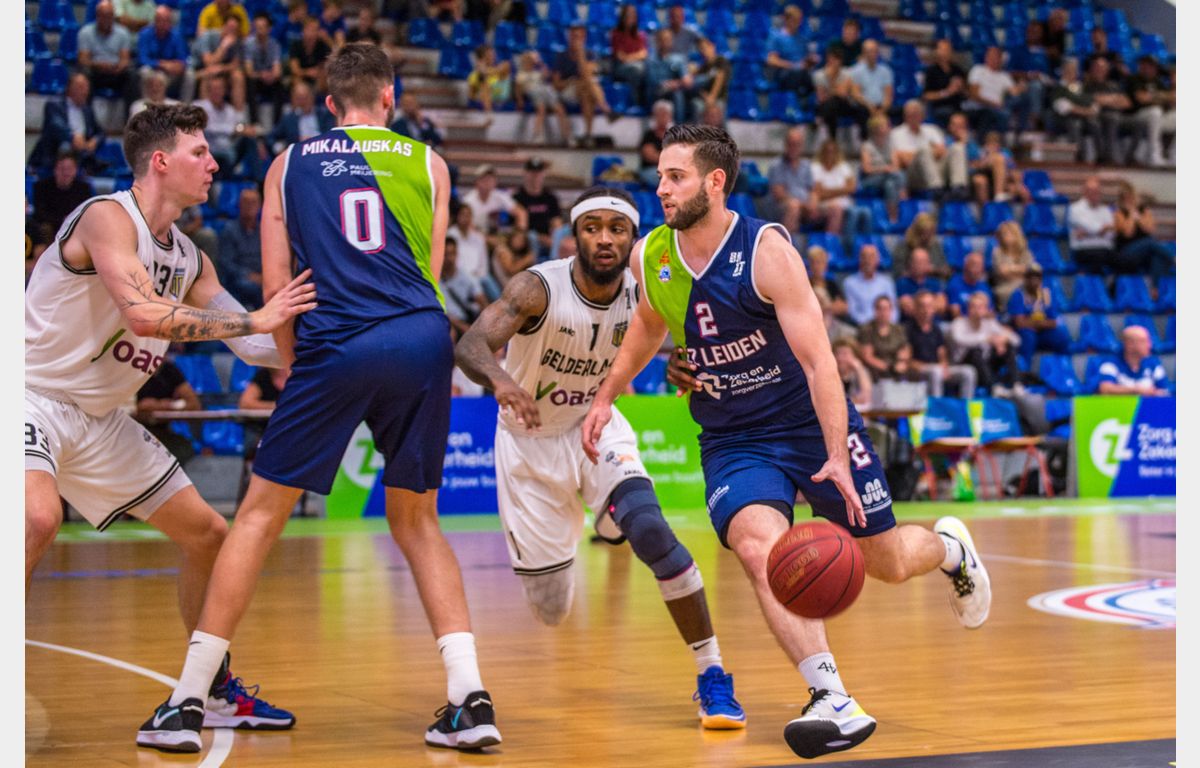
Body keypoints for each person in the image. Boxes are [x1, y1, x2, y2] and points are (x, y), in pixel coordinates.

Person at [580, 124, 991, 761]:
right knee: (758, 548)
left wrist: (836, 455)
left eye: (676, 177)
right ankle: (832, 698)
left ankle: (949, 549)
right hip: (733, 436)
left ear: (715, 182)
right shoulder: (649, 255)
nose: (661, 189)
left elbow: (822, 363)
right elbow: (649, 323)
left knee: (886, 562)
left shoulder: (766, 251)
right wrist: (607, 395)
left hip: (808, 425)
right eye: (660, 175)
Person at [138, 44, 503, 753]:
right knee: (419, 522)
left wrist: (295, 365)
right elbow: (426, 275)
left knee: (257, 518)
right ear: (390, 97)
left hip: (336, 339)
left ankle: (187, 702)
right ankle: (471, 698)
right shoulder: (431, 163)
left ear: (329, 105)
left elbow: (280, 289)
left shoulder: (289, 163)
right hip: (421, 337)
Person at [26, 104, 312, 751]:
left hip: (102, 421)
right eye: (199, 152)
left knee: (209, 536)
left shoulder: (190, 258)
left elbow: (255, 345)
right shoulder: (106, 217)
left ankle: (211, 689)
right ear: (160, 161)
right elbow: (145, 315)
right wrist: (258, 320)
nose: (213, 163)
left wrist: (338, 340)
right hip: (30, 396)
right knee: (37, 519)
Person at [454, 186, 746, 730]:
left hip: (596, 425)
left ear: (632, 238)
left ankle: (712, 673)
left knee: (652, 531)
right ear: (575, 236)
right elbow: (470, 344)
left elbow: (684, 343)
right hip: (529, 444)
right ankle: (609, 523)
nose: (605, 239)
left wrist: (682, 364)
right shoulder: (537, 287)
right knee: (550, 609)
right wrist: (502, 383)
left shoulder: (647, 287)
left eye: (617, 229)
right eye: (593, 228)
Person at [904, 290, 976, 397]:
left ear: (933, 309)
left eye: (929, 306)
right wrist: (926, 367)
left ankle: (966, 405)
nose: (926, 310)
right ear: (916, 308)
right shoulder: (907, 330)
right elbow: (907, 360)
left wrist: (944, 366)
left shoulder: (936, 329)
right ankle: (936, 405)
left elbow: (942, 353)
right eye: (922, 306)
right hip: (917, 371)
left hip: (936, 368)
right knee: (936, 371)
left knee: (968, 372)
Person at [30, 74, 106, 174]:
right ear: (69, 88)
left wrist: (94, 141)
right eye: (81, 87)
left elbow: (100, 132)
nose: (85, 91)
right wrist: (72, 137)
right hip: (57, 151)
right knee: (66, 146)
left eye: (87, 87)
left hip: (83, 149)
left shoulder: (87, 110)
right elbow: (56, 125)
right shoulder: (54, 105)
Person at [948, 292, 1020, 396]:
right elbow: (959, 339)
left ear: (986, 310)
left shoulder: (989, 323)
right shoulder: (959, 322)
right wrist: (987, 339)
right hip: (964, 363)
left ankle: (1016, 385)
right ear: (968, 309)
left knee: (1008, 346)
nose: (976, 310)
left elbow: (1017, 340)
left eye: (980, 307)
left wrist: (1003, 339)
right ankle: (994, 387)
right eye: (973, 307)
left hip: (986, 364)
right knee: (975, 351)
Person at [553, 24, 613, 147]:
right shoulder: (561, 56)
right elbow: (556, 84)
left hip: (584, 90)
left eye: (579, 37)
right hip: (567, 91)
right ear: (569, 37)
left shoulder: (590, 55)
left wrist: (581, 55)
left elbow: (586, 75)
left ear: (584, 38)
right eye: (573, 36)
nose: (576, 40)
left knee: (587, 93)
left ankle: (588, 135)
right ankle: (605, 108)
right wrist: (571, 81)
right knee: (587, 84)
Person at [136, 355, 203, 465]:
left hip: (163, 433)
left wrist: (163, 405)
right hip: (133, 433)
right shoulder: (131, 370)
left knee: (182, 448)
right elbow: (133, 409)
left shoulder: (169, 369)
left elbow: (194, 405)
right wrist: (171, 405)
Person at [891, 100, 959, 197]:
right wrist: (927, 153)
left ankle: (959, 188)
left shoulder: (932, 130)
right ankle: (936, 190)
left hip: (937, 169)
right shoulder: (896, 133)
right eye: (910, 114)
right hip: (913, 174)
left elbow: (943, 152)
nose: (913, 117)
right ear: (905, 116)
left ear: (923, 115)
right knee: (923, 151)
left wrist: (916, 155)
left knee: (957, 148)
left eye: (916, 114)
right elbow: (904, 160)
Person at [77, 0, 137, 108]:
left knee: (132, 75)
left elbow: (125, 59)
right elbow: (83, 59)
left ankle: (131, 114)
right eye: (103, 15)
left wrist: (117, 67)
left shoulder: (123, 33)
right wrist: (98, 65)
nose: (106, 19)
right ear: (97, 16)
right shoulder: (85, 32)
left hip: (115, 72)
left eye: (109, 16)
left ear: (113, 16)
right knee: (84, 74)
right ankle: (87, 113)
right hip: (95, 72)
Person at [1006, 263, 1070, 363]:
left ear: (1041, 279)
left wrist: (1032, 323)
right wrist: (1041, 323)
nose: (1034, 280)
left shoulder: (1047, 295)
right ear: (1025, 279)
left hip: (1043, 333)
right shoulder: (1018, 294)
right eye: (1030, 277)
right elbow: (1020, 323)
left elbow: (1053, 322)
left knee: (1061, 335)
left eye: (1037, 277)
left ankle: (1063, 366)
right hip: (1024, 334)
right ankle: (1025, 368)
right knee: (1028, 335)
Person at [1113, 180, 1173, 278]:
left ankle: (1154, 285)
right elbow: (1128, 233)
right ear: (1122, 200)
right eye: (1126, 198)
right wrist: (1131, 214)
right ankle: (1173, 259)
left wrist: (1138, 217)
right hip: (1126, 253)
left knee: (1157, 257)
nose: (1129, 200)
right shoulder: (1119, 214)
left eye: (1131, 197)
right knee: (1150, 242)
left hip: (1145, 251)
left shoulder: (1144, 211)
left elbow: (1150, 229)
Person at [217, 187, 264, 309]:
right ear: (239, 205)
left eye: (253, 202)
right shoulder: (229, 230)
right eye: (246, 202)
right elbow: (226, 263)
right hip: (239, 278)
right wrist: (250, 275)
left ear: (259, 206)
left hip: (261, 276)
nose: (249, 206)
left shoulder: (264, 230)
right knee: (248, 285)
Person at [514, 50, 570, 146]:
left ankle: (566, 136)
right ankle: (537, 136)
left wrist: (539, 62)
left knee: (560, 109)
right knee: (541, 109)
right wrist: (520, 100)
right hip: (533, 91)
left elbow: (547, 73)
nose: (529, 62)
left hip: (545, 90)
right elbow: (518, 89)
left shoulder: (537, 73)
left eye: (530, 61)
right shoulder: (521, 75)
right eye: (527, 60)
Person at [512, 156, 564, 258]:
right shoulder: (516, 198)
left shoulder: (550, 198)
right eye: (532, 172)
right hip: (526, 242)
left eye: (538, 173)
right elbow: (515, 228)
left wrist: (554, 238)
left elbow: (557, 222)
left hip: (548, 241)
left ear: (543, 174)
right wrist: (539, 238)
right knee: (531, 237)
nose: (535, 176)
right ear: (525, 173)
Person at [1097, 326, 1171, 396]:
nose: (1149, 345)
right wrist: (1136, 390)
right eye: (1143, 341)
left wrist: (1155, 393)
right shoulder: (1110, 363)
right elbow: (1105, 389)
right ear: (1129, 344)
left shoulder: (1153, 364)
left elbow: (1165, 391)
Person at [137, 4, 191, 100]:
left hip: (171, 73)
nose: (162, 24)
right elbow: (142, 59)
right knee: (144, 71)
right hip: (154, 70)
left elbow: (183, 59)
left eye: (166, 21)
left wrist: (178, 66)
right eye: (159, 20)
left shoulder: (177, 35)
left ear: (170, 22)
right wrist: (161, 64)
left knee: (190, 74)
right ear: (155, 21)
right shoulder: (145, 34)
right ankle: (146, 104)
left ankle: (185, 106)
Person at [31, 152, 93, 235]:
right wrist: (61, 220)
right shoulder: (41, 187)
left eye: (69, 169)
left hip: (76, 225)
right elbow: (39, 213)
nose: (66, 173)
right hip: (51, 225)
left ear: (75, 170)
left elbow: (87, 211)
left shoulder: (84, 188)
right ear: (55, 170)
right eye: (62, 169)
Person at [858, 114, 905, 222]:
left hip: (889, 177)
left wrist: (888, 170)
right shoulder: (866, 146)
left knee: (890, 185)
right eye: (885, 125)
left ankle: (893, 217)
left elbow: (896, 166)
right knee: (896, 176)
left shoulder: (890, 145)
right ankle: (903, 189)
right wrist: (884, 169)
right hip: (870, 179)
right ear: (875, 128)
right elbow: (867, 169)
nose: (889, 128)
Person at [243, 12, 286, 124]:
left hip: (270, 79)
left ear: (269, 29)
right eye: (257, 27)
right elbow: (249, 71)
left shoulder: (275, 45)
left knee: (279, 85)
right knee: (250, 83)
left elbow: (277, 70)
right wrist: (261, 75)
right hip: (256, 79)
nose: (259, 31)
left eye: (262, 27)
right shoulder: (249, 44)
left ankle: (277, 123)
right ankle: (254, 122)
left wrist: (271, 76)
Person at [441, 236, 488, 338]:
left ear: (457, 254)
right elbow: (443, 313)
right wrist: (464, 328)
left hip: (470, 319)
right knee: (450, 332)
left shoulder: (465, 275)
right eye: (445, 254)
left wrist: (487, 323)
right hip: (451, 324)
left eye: (452, 253)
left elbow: (481, 298)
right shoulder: (435, 280)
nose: (449, 258)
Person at [269, 81, 334, 154]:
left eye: (305, 98)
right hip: (298, 154)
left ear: (312, 97)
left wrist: (315, 140)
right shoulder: (288, 119)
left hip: (322, 151)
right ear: (293, 100)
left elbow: (332, 135)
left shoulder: (324, 114)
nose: (303, 102)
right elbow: (271, 137)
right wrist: (279, 149)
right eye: (299, 98)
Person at [1068, 175, 1115, 275]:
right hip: (1083, 250)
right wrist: (1101, 231)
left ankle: (1114, 284)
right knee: (1099, 258)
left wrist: (1087, 234)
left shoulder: (1105, 210)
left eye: (1097, 191)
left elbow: (1111, 234)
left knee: (1125, 260)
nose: (1095, 194)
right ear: (1084, 192)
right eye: (1091, 191)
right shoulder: (1075, 209)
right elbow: (1096, 228)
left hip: (1105, 249)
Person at [857, 295, 911, 382]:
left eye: (886, 309)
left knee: (913, 373)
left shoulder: (898, 329)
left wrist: (901, 362)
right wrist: (890, 367)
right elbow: (867, 357)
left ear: (891, 310)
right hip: (876, 368)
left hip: (896, 365)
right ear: (875, 310)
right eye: (879, 309)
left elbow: (905, 349)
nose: (883, 312)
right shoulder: (867, 329)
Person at [463, 164, 527, 236]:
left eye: (490, 179)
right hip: (475, 235)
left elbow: (521, 212)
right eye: (484, 179)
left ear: (495, 182)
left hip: (497, 235)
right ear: (476, 182)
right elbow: (465, 224)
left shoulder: (500, 196)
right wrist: (485, 237)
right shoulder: (468, 200)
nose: (487, 182)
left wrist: (519, 233)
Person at [765, 5, 814, 97]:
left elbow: (806, 60)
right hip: (785, 73)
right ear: (786, 20)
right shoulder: (776, 37)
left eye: (799, 20)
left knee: (818, 78)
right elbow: (771, 60)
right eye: (794, 20)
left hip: (802, 72)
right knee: (798, 73)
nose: (798, 23)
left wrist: (810, 61)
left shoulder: (802, 39)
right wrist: (792, 65)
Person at [842, 243, 896, 326]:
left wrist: (886, 322)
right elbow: (853, 311)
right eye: (864, 257)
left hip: (886, 325)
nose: (868, 260)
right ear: (860, 259)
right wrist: (872, 325)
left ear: (878, 260)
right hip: (861, 327)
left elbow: (894, 310)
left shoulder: (887, 283)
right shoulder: (849, 283)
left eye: (871, 257)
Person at [922, 38, 967, 127]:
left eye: (948, 49)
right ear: (937, 51)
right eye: (943, 49)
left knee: (984, 114)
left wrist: (961, 88)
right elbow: (926, 96)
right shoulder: (931, 71)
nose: (946, 52)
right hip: (940, 108)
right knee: (952, 116)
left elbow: (967, 94)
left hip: (959, 107)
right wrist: (947, 92)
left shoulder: (958, 70)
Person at [990, 220, 1034, 311]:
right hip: (1004, 286)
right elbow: (1002, 272)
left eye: (1008, 234)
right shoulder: (997, 252)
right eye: (1003, 234)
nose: (1005, 236)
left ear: (1016, 235)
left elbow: (1028, 271)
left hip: (1024, 285)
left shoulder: (1025, 252)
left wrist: (1010, 269)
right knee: (1016, 293)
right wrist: (1019, 271)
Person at [891, 211, 949, 279]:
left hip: (932, 282)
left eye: (932, 232)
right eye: (926, 232)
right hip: (909, 283)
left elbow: (946, 272)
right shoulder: (903, 247)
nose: (929, 236)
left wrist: (934, 270)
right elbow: (897, 273)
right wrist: (916, 271)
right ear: (917, 231)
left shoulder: (935, 246)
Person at [895, 247, 946, 318]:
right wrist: (931, 304)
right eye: (918, 262)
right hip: (910, 323)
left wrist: (919, 305)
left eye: (924, 261)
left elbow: (941, 306)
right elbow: (908, 308)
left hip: (935, 323)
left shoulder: (935, 283)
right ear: (910, 263)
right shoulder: (902, 283)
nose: (921, 265)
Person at [639, 100, 674, 189]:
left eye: (665, 114)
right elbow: (649, 156)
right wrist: (671, 158)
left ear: (670, 117)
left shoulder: (674, 136)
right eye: (659, 115)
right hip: (651, 169)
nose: (662, 117)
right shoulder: (649, 135)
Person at [946, 250, 992, 318]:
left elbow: (991, 312)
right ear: (966, 265)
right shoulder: (955, 284)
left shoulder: (985, 287)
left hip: (982, 322)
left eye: (980, 266)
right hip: (963, 322)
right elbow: (955, 313)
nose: (978, 269)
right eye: (974, 265)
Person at [467, 44, 512, 112]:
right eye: (490, 55)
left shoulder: (502, 67)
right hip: (483, 102)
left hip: (501, 100)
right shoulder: (474, 75)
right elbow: (471, 96)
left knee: (506, 64)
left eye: (493, 54)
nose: (493, 57)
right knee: (484, 86)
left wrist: (485, 70)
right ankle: (488, 113)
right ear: (482, 57)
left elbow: (505, 67)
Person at [832, 338, 872, 410]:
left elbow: (865, 398)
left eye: (845, 354)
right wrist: (854, 400)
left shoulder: (860, 373)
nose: (840, 358)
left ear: (854, 356)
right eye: (837, 353)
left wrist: (859, 368)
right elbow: (834, 400)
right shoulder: (830, 374)